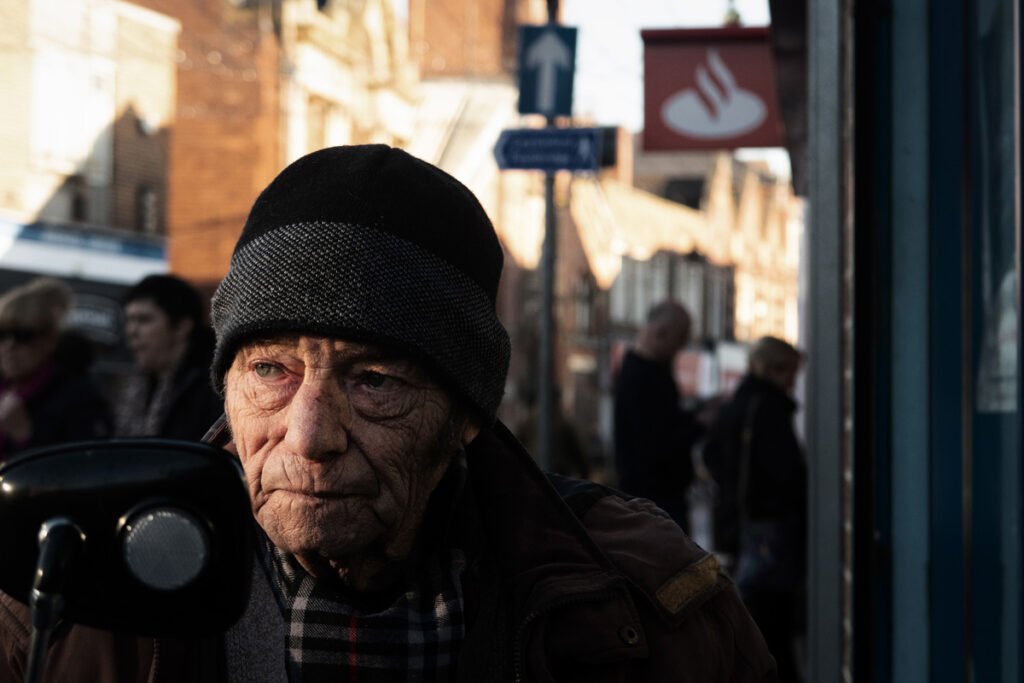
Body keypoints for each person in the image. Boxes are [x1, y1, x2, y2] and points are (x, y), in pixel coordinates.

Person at [0, 146, 776, 681]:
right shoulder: (69, 592)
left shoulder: (647, 603)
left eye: (373, 382)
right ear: (225, 379)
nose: (308, 435)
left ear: (467, 412)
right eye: (270, 370)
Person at [703, 336, 807, 683]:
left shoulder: (736, 406)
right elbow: (784, 476)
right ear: (773, 369)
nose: (794, 382)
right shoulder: (770, 409)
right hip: (770, 534)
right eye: (791, 372)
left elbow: (711, 457)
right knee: (774, 624)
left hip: (741, 530)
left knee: (754, 622)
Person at [613, 300, 703, 532]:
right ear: (661, 333)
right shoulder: (642, 377)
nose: (681, 347)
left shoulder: (645, 371)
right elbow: (656, 442)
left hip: (655, 498)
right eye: (680, 338)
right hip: (655, 501)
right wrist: (699, 423)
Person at [0, 278, 111, 460]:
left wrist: (24, 436)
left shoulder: (80, 397)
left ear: (49, 340)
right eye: (2, 334)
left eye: (23, 336)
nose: (9, 346)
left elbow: (87, 466)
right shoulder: (5, 385)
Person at [115, 274, 223, 440]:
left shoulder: (214, 387)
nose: (132, 331)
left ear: (181, 327)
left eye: (144, 320)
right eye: (129, 320)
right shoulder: (137, 386)